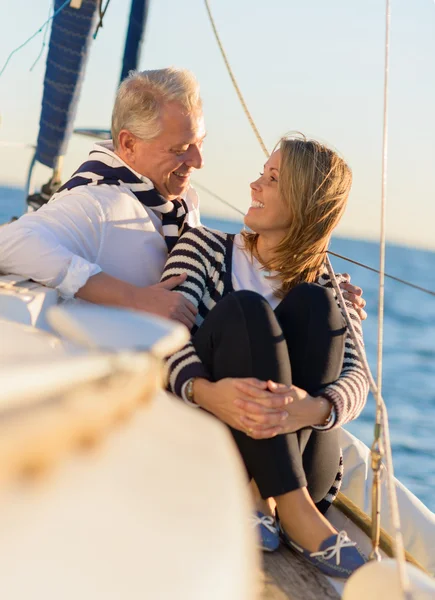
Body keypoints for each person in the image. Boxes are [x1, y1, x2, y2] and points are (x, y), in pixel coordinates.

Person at [0, 67, 366, 430]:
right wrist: (132, 297)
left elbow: (223, 266)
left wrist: (322, 290)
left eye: (199, 144)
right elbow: (11, 242)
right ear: (127, 144)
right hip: (121, 401)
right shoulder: (97, 202)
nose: (198, 161)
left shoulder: (174, 202)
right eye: (180, 149)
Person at [160, 135, 369, 578]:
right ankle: (292, 511)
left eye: (272, 179)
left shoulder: (334, 288)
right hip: (218, 445)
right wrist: (206, 392)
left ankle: (265, 494)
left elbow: (356, 380)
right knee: (247, 309)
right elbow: (164, 338)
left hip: (304, 455)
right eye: (262, 173)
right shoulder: (203, 247)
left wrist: (306, 409)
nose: (255, 185)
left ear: (307, 203)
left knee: (316, 304)